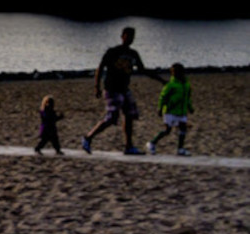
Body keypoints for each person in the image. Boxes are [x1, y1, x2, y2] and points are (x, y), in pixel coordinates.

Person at [82, 27, 164, 155]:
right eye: (128, 35)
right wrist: (97, 86)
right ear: (122, 36)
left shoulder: (133, 54)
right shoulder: (113, 51)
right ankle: (88, 138)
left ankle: (129, 146)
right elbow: (100, 67)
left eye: (132, 36)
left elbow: (142, 70)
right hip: (111, 88)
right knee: (111, 117)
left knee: (130, 115)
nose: (130, 38)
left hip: (124, 89)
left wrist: (161, 80)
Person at [148, 63, 194, 156]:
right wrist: (160, 108)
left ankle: (180, 149)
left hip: (181, 111)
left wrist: (190, 107)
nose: (177, 74)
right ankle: (152, 143)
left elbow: (187, 97)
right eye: (175, 72)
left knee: (183, 129)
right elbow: (163, 97)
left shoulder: (186, 84)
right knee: (167, 130)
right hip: (170, 111)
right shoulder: (171, 85)